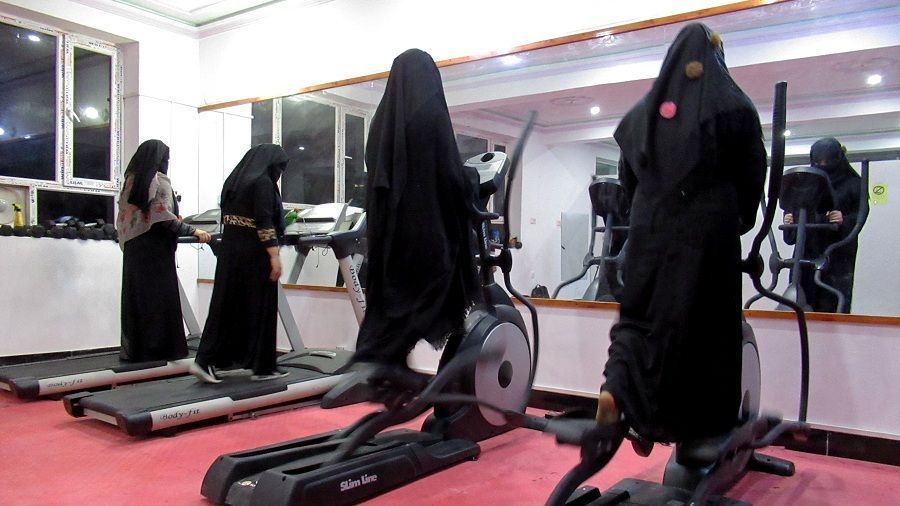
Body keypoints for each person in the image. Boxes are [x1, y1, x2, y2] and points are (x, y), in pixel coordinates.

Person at [595, 24, 767, 445]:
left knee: (640, 321)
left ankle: (622, 393)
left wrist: (646, 217)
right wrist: (739, 223)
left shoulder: (642, 113)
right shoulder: (735, 106)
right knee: (703, 331)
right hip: (707, 234)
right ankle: (697, 431)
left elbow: (627, 182)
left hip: (648, 229)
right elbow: (752, 178)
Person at [349, 49, 481, 371]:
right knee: (436, 287)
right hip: (425, 230)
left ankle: (383, 364)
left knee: (395, 305)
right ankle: (391, 369)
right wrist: (472, 180)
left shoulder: (381, 122)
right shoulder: (430, 113)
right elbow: (448, 171)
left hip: (391, 236)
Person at [191, 144, 290, 383]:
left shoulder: (234, 182)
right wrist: (274, 256)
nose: (278, 174)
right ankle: (262, 367)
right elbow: (264, 221)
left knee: (227, 305)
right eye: (279, 168)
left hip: (231, 251)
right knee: (261, 308)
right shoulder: (263, 183)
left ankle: (220, 360)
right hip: (255, 254)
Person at [117, 139, 210, 362]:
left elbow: (132, 218)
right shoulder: (158, 180)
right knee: (159, 301)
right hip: (155, 250)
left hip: (134, 249)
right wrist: (194, 231)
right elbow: (163, 218)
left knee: (138, 300)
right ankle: (161, 351)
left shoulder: (131, 181)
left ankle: (139, 351)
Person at [782, 137, 862, 313]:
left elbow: (859, 217)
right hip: (807, 250)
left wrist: (843, 219)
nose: (823, 166)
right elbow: (793, 214)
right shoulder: (807, 184)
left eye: (828, 161)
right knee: (801, 297)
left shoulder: (854, 184)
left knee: (831, 301)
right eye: (818, 162)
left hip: (836, 255)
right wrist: (790, 222)